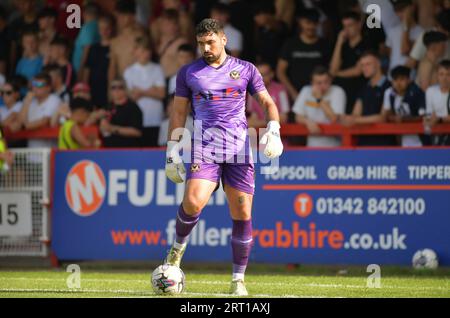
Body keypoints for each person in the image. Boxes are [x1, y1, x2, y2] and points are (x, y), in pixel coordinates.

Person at [163, 19, 283, 296]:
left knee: (242, 212)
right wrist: (171, 151)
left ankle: (237, 280)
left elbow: (267, 102)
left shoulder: (245, 69)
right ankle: (176, 252)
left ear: (224, 39)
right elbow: (179, 113)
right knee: (192, 202)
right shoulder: (188, 73)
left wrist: (274, 130)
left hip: (240, 149)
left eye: (211, 42)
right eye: (201, 43)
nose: (206, 47)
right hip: (205, 146)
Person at [340, 51, 396, 146]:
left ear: (378, 63)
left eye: (368, 64)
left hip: (384, 143)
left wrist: (354, 120)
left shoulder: (390, 86)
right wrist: (349, 118)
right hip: (363, 142)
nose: (364, 68)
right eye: (362, 65)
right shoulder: (363, 88)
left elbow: (382, 117)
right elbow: (355, 113)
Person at [277, 9, 331, 101]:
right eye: (308, 23)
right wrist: (292, 92)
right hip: (294, 95)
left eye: (314, 23)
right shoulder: (290, 44)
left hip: (319, 94)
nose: (311, 26)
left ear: (318, 24)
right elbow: (280, 72)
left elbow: (330, 71)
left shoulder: (325, 45)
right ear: (300, 22)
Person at [124, 36, 166, 147]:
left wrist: (141, 91)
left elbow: (161, 94)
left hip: (155, 118)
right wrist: (151, 90)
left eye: (148, 50)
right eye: (142, 50)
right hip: (136, 120)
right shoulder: (129, 72)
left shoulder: (157, 69)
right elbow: (131, 96)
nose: (146, 53)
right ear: (135, 51)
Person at [293, 66, 346, 147]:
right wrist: (308, 122)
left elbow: (334, 118)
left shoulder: (337, 91)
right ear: (312, 83)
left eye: (326, 82)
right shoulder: (306, 90)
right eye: (319, 83)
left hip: (334, 145)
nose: (323, 85)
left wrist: (319, 98)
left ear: (330, 80)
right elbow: (297, 116)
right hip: (312, 145)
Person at [330, 11, 369, 114]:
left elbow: (358, 70)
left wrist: (337, 74)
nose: (347, 29)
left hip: (360, 90)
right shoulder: (343, 46)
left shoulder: (367, 44)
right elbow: (332, 68)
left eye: (350, 25)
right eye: (344, 26)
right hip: (342, 91)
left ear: (359, 24)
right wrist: (339, 43)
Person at [380, 65, 428, 147]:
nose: (398, 83)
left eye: (402, 79)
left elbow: (423, 117)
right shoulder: (389, 93)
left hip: (421, 140)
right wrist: (393, 118)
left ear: (409, 80)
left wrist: (403, 119)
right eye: (395, 80)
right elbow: (387, 115)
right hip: (400, 140)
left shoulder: (417, 93)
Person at [17, 73, 61, 148]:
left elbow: (44, 121)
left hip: (48, 151)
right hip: (31, 151)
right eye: (33, 84)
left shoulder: (54, 99)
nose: (35, 88)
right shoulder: (30, 101)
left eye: (39, 85)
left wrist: (26, 125)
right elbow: (19, 123)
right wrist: (26, 102)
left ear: (48, 88)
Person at [108, 0, 146, 82]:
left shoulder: (140, 36)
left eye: (122, 16)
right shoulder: (115, 41)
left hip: (139, 85)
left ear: (132, 16)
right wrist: (110, 91)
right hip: (121, 87)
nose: (119, 19)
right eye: (118, 16)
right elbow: (112, 69)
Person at [100, 78, 143, 148]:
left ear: (126, 90)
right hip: (108, 151)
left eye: (120, 87)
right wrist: (93, 117)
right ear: (110, 91)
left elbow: (137, 132)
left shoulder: (133, 108)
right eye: (113, 87)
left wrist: (112, 128)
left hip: (127, 151)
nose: (116, 90)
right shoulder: (107, 107)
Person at [83, 14, 114, 109]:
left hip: (108, 88)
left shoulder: (115, 47)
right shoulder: (93, 48)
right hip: (93, 88)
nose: (104, 31)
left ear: (112, 29)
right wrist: (85, 89)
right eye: (101, 28)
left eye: (107, 28)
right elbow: (87, 70)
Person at [247, 61, 289, 128]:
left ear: (271, 74)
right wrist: (270, 122)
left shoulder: (281, 90)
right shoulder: (251, 92)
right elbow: (252, 119)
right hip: (260, 136)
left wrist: (260, 123)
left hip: (278, 136)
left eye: (264, 74)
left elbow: (284, 118)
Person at [385, 0, 423, 72]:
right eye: (397, 11)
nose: (399, 14)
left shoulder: (421, 32)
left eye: (402, 10)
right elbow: (390, 55)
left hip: (409, 78)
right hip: (392, 77)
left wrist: (406, 26)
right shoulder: (392, 30)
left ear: (412, 8)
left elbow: (405, 50)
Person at [253, 2, 288, 70]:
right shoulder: (260, 30)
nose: (255, 18)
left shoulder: (281, 28)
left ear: (268, 14)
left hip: (279, 66)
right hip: (264, 68)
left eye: (258, 15)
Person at [155, 9, 189, 79]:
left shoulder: (181, 42)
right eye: (165, 23)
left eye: (170, 23)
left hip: (174, 79)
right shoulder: (160, 40)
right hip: (160, 81)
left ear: (176, 25)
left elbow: (186, 63)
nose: (166, 26)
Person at [72, 2, 100, 79]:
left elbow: (86, 49)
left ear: (84, 13)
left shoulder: (87, 28)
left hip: (83, 69)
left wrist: (81, 70)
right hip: (92, 68)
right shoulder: (99, 25)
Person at [425, 59, 450, 145]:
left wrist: (439, 119)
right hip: (436, 135)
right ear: (437, 76)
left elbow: (436, 117)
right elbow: (429, 115)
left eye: (448, 74)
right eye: (441, 74)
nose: (444, 78)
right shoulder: (430, 91)